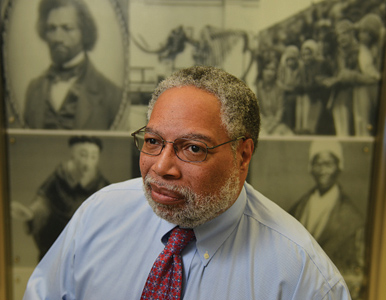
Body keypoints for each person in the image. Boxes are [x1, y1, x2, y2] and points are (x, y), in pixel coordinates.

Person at [23, 66, 351, 299]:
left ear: (243, 155)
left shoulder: (302, 279)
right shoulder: (99, 214)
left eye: (193, 148)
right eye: (153, 141)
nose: (162, 167)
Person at [23, 0, 122, 130]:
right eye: (52, 29)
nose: (57, 38)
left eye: (67, 28)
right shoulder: (33, 90)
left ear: (84, 33)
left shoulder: (112, 95)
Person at [12, 136, 109, 260]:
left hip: (87, 244)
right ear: (73, 155)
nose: (87, 162)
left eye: (93, 157)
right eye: (83, 155)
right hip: (57, 236)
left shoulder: (102, 185)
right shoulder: (59, 178)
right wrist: (31, 214)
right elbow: (43, 202)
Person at [289, 140, 364, 298]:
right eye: (318, 164)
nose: (323, 170)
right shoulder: (297, 209)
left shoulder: (352, 219)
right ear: (311, 168)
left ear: (339, 167)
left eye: (329, 164)